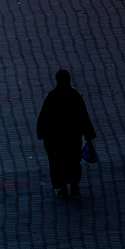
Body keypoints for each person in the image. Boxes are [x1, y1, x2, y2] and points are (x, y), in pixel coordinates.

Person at [36, 69, 97, 199]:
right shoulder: (74, 95)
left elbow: (44, 116)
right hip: (72, 137)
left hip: (55, 138)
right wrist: (88, 135)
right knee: (73, 160)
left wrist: (41, 132)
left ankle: (63, 189)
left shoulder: (52, 96)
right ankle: (74, 184)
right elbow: (83, 116)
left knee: (57, 163)